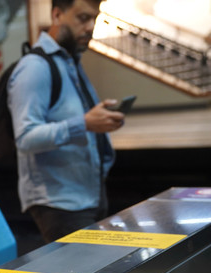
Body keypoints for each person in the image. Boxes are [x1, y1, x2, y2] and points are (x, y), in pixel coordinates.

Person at [8, 0, 126, 243]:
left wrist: (100, 119)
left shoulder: (70, 61)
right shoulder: (35, 68)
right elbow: (25, 138)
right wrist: (84, 123)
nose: (90, 26)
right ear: (57, 15)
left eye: (95, 18)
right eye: (82, 18)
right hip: (59, 203)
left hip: (87, 195)